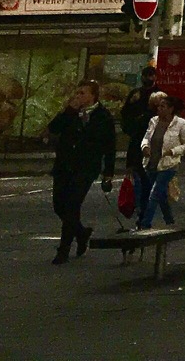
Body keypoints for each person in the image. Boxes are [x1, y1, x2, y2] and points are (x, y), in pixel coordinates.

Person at [46, 80, 116, 263]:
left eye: (83, 93)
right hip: (64, 165)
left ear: (93, 96)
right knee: (59, 205)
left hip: (86, 167)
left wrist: (108, 171)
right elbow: (54, 128)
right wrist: (69, 110)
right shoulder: (71, 113)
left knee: (72, 205)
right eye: (77, 93)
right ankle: (81, 232)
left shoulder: (103, 116)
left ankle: (64, 249)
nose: (78, 97)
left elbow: (110, 146)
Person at [134, 91, 185, 230]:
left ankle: (145, 223)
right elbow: (147, 137)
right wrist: (145, 146)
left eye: (163, 106)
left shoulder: (181, 124)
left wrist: (173, 152)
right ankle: (169, 220)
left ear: (171, 109)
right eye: (159, 106)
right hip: (152, 162)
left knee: (154, 194)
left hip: (169, 164)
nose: (159, 109)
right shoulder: (153, 121)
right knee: (161, 195)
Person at [119, 65, 158, 182]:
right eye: (146, 76)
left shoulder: (158, 94)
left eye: (150, 76)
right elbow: (125, 112)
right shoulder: (136, 93)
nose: (147, 79)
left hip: (151, 133)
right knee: (135, 164)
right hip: (137, 133)